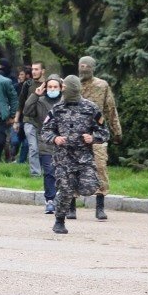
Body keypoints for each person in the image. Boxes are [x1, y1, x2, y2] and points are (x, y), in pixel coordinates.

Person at [41, 75, 109, 234]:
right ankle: (59, 221)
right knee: (65, 190)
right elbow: (45, 131)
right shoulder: (57, 109)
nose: (62, 90)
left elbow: (104, 132)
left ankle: (73, 187)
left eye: (64, 87)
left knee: (89, 187)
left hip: (84, 158)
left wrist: (93, 138)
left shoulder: (91, 108)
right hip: (63, 158)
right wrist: (55, 138)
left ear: (72, 88)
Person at [77, 56, 122, 220]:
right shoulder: (73, 85)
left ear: (92, 68)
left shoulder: (102, 86)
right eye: (81, 65)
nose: (83, 69)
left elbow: (111, 109)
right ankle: (71, 206)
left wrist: (117, 132)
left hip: (97, 134)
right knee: (74, 168)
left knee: (100, 168)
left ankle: (100, 206)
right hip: (76, 134)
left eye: (86, 66)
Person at [23, 74, 63, 214]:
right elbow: (27, 111)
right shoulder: (40, 101)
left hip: (63, 142)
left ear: (60, 88)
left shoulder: (65, 101)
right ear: (45, 87)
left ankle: (61, 199)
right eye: (50, 87)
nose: (52, 89)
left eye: (55, 87)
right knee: (49, 171)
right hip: (45, 141)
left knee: (62, 172)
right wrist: (35, 95)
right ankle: (50, 200)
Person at [15, 62, 46, 176]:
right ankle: (35, 174)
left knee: (43, 148)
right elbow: (21, 103)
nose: (33, 71)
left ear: (43, 71)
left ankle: (46, 170)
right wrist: (16, 121)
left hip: (44, 122)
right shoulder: (27, 84)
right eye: (32, 69)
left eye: (36, 69)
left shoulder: (49, 85)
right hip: (29, 120)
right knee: (33, 147)